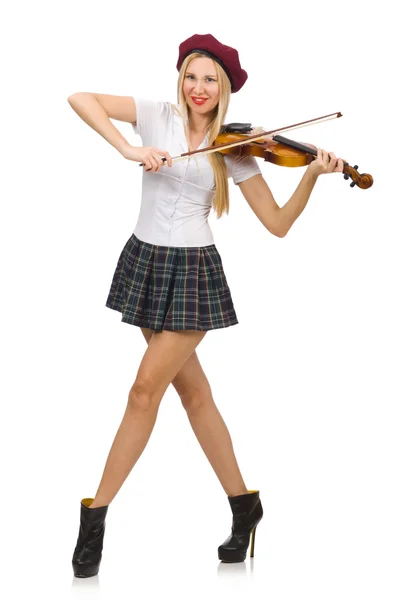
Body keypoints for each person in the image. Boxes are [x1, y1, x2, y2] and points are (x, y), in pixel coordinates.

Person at [68, 33, 344, 577]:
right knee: (195, 397)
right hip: (146, 261)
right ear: (181, 78)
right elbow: (81, 98)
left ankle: (94, 519)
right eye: (192, 76)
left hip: (192, 272)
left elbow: (279, 225)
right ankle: (245, 506)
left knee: (143, 392)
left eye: (210, 80)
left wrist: (311, 174)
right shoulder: (155, 117)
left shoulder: (236, 146)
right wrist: (128, 148)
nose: (199, 88)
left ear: (225, 89)